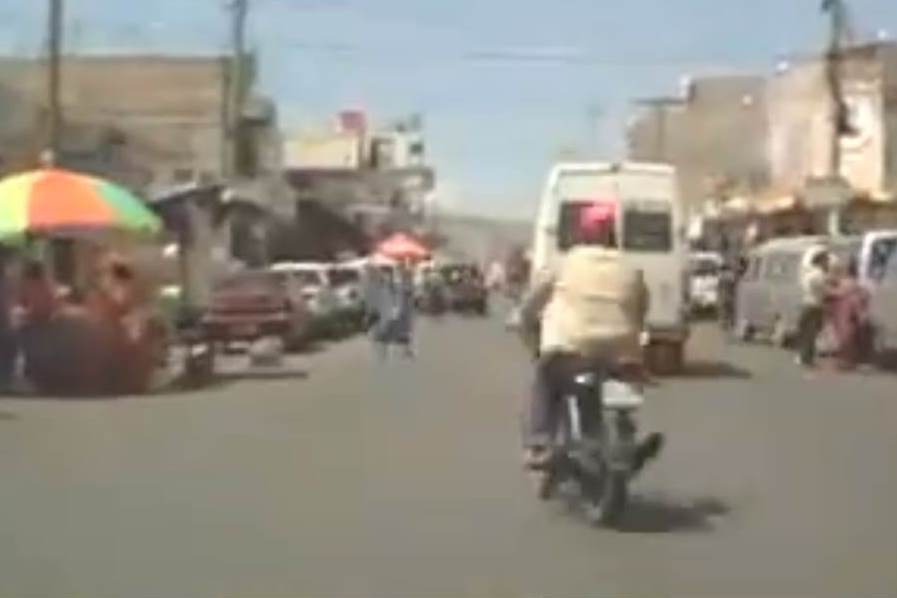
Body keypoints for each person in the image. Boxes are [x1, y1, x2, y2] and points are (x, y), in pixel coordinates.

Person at [518, 201, 659, 468]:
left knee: (545, 378)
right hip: (621, 354)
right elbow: (641, 310)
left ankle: (539, 443)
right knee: (607, 390)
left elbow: (531, 307)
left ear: (582, 233)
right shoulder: (631, 268)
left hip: (573, 350)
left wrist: (524, 325)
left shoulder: (564, 263)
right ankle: (622, 442)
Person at [829, 257, 870, 370]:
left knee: (845, 336)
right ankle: (848, 360)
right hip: (849, 313)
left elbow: (838, 294)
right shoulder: (855, 284)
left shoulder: (845, 283)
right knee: (849, 337)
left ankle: (845, 361)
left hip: (844, 313)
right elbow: (863, 297)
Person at [795, 251, 831, 368]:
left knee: (805, 332)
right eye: (826, 261)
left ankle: (804, 356)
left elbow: (804, 286)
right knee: (811, 333)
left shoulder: (809, 274)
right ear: (820, 262)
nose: (828, 263)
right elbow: (824, 290)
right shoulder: (820, 275)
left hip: (807, 303)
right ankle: (806, 357)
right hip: (816, 305)